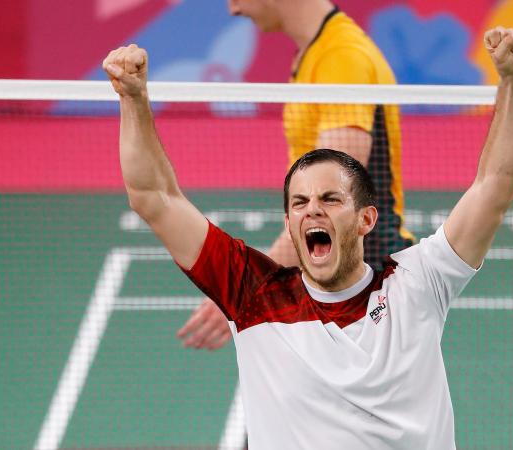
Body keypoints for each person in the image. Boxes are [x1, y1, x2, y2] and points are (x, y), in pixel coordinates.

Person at [103, 25, 513, 450]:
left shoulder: (417, 283)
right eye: (299, 202)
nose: (312, 209)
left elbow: (495, 186)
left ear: (366, 219)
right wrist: (134, 100)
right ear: (289, 224)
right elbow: (153, 197)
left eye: (330, 198)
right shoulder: (253, 295)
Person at [177, 0, 414, 351]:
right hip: (335, 277)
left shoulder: (341, 59)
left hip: (370, 286)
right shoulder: (313, 55)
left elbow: (330, 202)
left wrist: (250, 286)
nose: (233, 9)